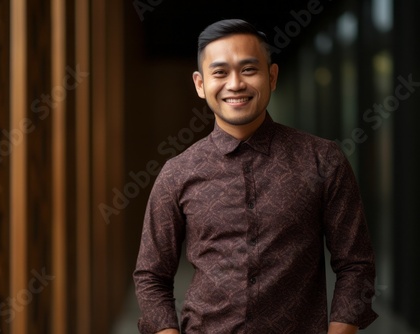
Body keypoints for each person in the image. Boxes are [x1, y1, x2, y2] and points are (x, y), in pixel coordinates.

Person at [133, 19, 378, 334]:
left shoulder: (323, 160)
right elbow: (151, 275)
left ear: (272, 76)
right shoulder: (178, 173)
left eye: (249, 69)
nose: (235, 84)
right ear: (200, 84)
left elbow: (356, 264)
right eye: (220, 72)